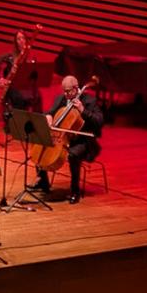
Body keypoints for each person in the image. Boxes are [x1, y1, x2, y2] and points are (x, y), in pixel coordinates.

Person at [30, 75, 103, 203]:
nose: (66, 94)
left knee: (73, 155)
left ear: (76, 88)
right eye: (64, 90)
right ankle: (43, 182)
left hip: (83, 141)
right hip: (63, 138)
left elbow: (99, 121)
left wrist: (82, 110)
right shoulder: (61, 99)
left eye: (68, 91)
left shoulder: (89, 101)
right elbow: (50, 112)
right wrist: (48, 116)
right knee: (41, 142)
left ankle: (75, 191)